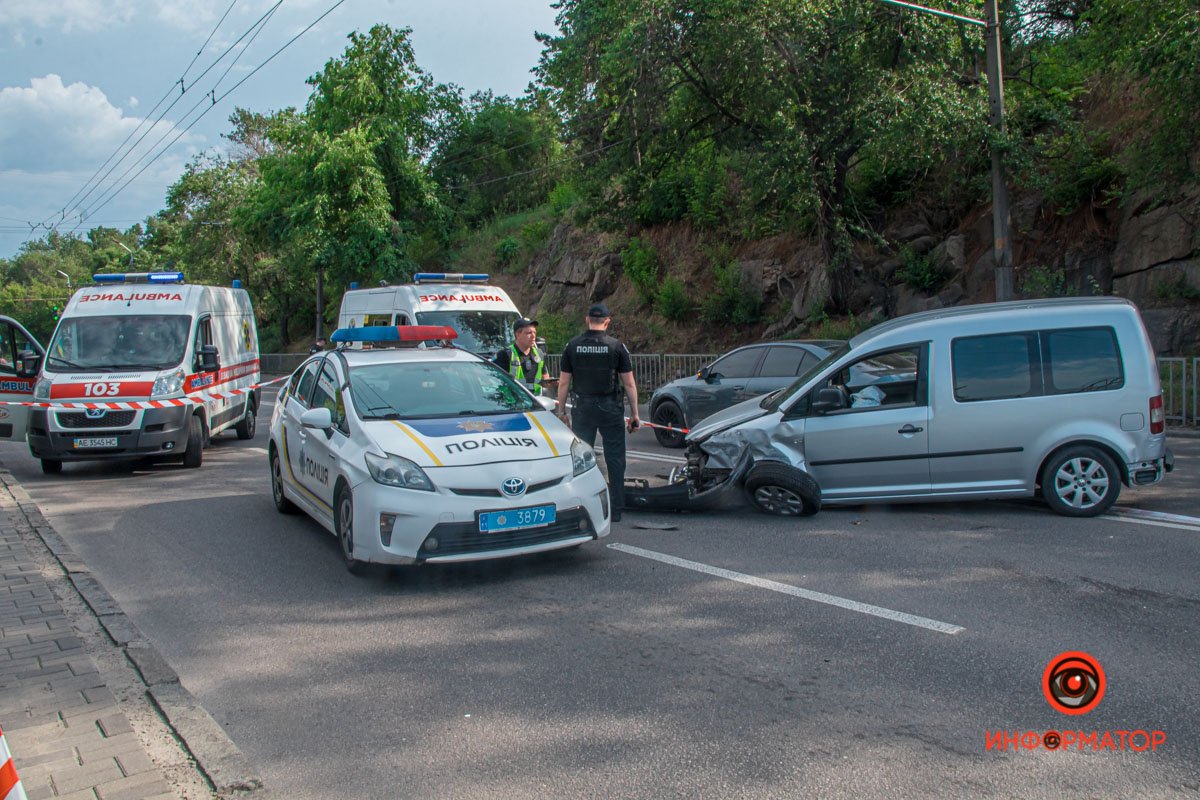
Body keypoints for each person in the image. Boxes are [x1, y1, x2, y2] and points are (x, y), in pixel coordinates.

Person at [556, 303, 640, 521]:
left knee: (583, 458)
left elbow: (564, 382)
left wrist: (561, 411)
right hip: (610, 407)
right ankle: (617, 509)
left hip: (583, 407)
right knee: (615, 458)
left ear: (587, 320)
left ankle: (582, 506)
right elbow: (629, 384)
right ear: (607, 321)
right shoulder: (616, 347)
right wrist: (635, 414)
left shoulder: (572, 346)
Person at [494, 317, 550, 396]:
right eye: (529, 333)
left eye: (534, 332)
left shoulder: (539, 353)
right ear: (518, 335)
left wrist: (549, 382)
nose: (533, 336)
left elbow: (545, 376)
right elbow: (495, 380)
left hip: (536, 401)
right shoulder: (505, 354)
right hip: (514, 403)